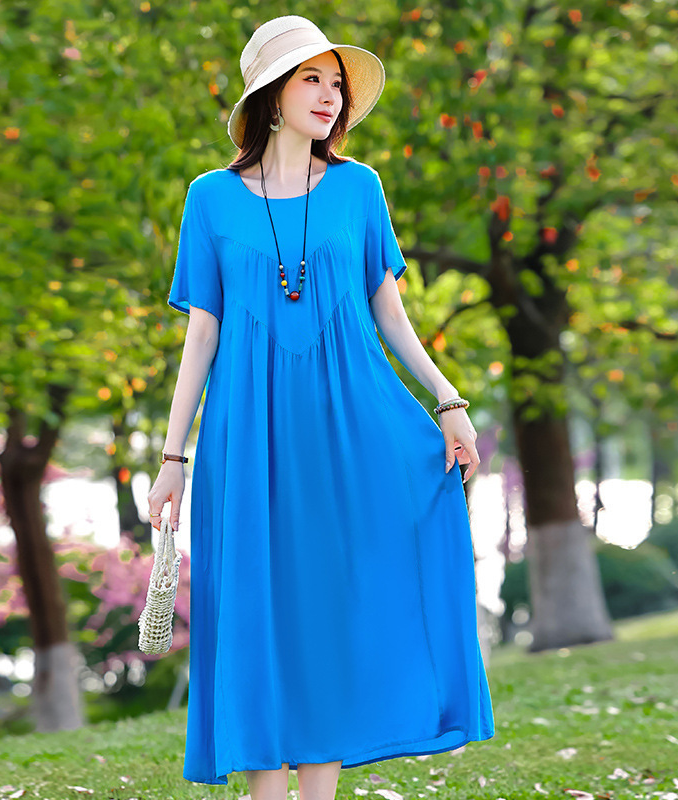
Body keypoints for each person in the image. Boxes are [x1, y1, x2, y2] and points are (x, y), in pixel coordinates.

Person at [147, 14, 495, 800]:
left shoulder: (359, 187)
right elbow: (202, 334)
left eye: (336, 83)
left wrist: (448, 400)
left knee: (336, 606)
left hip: (350, 423)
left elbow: (390, 314)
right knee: (259, 610)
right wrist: (173, 459)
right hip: (248, 432)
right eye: (312, 78)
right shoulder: (209, 198)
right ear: (271, 95)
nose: (330, 95)